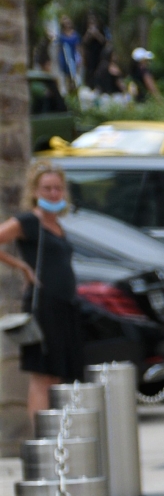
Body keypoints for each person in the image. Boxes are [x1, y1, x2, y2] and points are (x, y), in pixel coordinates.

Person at [1, 163, 85, 415]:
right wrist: (22, 267)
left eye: (57, 188)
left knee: (57, 375)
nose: (53, 193)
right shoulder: (29, 221)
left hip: (64, 305)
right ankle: (42, 439)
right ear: (35, 191)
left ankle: (54, 433)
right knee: (43, 375)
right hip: (44, 306)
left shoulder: (57, 225)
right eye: (47, 188)